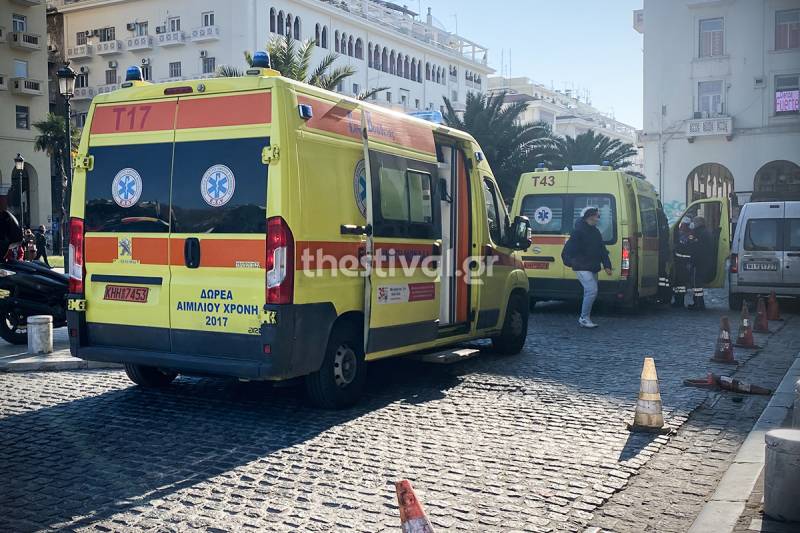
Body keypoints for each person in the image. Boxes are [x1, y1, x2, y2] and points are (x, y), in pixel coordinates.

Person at [562, 207, 612, 328]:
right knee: (592, 290)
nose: (598, 219)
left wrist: (607, 265)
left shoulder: (595, 232)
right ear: (590, 217)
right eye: (597, 216)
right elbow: (566, 251)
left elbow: (602, 249)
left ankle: (585, 317)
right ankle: (584, 318)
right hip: (582, 266)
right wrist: (572, 263)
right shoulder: (578, 232)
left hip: (592, 266)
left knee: (589, 292)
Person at [685, 216, 713, 310]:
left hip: (699, 262)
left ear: (699, 223)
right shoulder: (706, 232)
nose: (693, 223)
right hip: (704, 261)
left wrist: (692, 261)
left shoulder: (698, 233)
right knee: (697, 283)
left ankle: (699, 303)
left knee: (696, 283)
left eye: (694, 221)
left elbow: (695, 248)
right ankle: (698, 302)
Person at [671, 216, 693, 308]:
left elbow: (685, 246)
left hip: (684, 262)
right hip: (679, 261)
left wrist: (677, 247)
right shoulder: (681, 233)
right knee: (678, 283)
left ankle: (679, 302)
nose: (682, 227)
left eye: (683, 225)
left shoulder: (689, 235)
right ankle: (678, 301)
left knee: (681, 283)